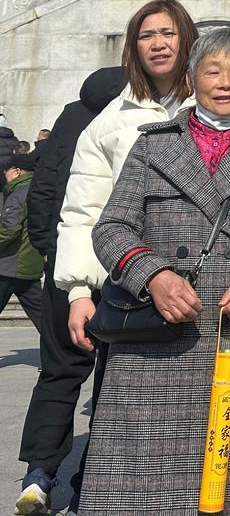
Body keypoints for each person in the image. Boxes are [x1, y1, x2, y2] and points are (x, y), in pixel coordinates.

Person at [76, 27, 230, 516]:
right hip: (157, 335)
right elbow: (112, 228)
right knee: (144, 489)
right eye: (212, 70)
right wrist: (154, 276)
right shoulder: (153, 145)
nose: (225, 82)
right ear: (191, 78)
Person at [54, 0, 198, 357]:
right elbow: (84, 209)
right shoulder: (109, 121)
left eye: (168, 33)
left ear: (188, 40)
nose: (158, 43)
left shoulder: (220, 105)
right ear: (134, 47)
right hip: (133, 287)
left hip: (210, 283)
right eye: (146, 35)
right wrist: (79, 293)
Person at [17, 68, 125, 516]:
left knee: (59, 371)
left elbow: (42, 190)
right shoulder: (139, 115)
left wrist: (50, 251)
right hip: (123, 266)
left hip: (67, 263)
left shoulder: (72, 116)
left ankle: (38, 476)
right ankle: (92, 478)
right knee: (115, 378)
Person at [0, 141, 44, 334]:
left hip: (10, 264)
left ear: (17, 171)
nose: (4, 175)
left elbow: (9, 229)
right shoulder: (37, 190)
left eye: (6, 171)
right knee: (42, 315)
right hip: (29, 263)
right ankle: (58, 354)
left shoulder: (18, 193)